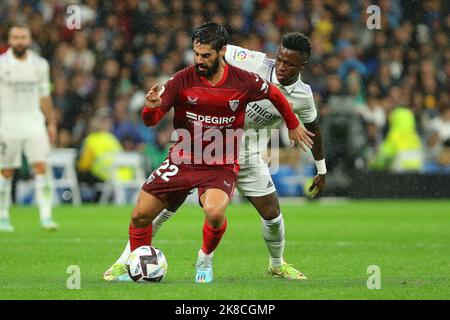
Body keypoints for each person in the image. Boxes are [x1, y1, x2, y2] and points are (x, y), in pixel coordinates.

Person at [104, 31, 326, 281]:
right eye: (280, 60)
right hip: (201, 150)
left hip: (248, 155)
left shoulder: (302, 95)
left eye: (290, 63)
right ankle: (128, 261)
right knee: (159, 212)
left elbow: (313, 128)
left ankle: (276, 264)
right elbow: (212, 49)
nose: (282, 67)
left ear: (302, 65)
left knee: (272, 215)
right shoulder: (250, 61)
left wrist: (321, 167)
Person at [0, 23, 58, 232]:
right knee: (5, 171)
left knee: (41, 167)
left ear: (29, 39)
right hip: (6, 124)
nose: (19, 41)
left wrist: (51, 122)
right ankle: (3, 216)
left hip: (34, 123)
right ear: (9, 40)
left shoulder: (40, 65)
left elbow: (44, 96)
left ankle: (46, 216)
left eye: (23, 37)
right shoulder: (1, 64)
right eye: (15, 37)